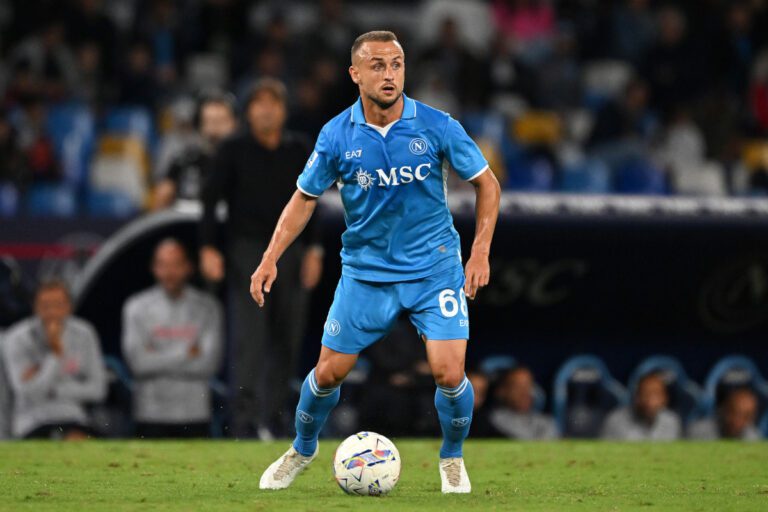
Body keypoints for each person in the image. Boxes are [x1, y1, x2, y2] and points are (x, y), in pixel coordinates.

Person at [254, 31, 501, 494]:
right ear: (355, 73)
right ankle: (302, 449)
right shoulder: (335, 135)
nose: (389, 74)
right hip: (366, 274)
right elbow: (304, 199)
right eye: (378, 65)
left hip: (434, 268)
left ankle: (452, 458)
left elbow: (488, 184)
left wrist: (480, 250)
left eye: (397, 64)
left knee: (450, 372)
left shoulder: (436, 125)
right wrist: (270, 257)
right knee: (328, 373)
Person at [199, 78, 324, 439]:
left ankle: (277, 418)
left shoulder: (299, 147)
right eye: (259, 103)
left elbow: (312, 200)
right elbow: (210, 201)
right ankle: (244, 422)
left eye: (274, 103)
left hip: (293, 250)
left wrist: (315, 250)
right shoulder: (232, 149)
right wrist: (209, 247)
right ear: (248, 112)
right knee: (249, 338)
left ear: (284, 110)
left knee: (289, 334)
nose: (267, 109)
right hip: (247, 249)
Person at [122, 239, 223, 438]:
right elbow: (138, 364)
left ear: (188, 267)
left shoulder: (208, 307)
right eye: (163, 265)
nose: (169, 272)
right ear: (154, 268)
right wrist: (187, 353)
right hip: (149, 415)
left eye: (176, 264)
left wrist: (156, 356)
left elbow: (209, 364)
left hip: (195, 415)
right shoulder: (136, 307)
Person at [1, 279, 106, 439]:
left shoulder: (85, 333)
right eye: (45, 306)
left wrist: (53, 389)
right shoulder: (17, 338)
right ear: (35, 307)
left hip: (73, 418)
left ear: (69, 307)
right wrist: (55, 354)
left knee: (79, 440)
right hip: (32, 421)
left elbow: (98, 390)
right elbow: (26, 393)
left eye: (58, 305)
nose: (52, 312)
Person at [153, 91, 237, 209]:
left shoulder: (245, 160)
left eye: (221, 121)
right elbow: (161, 198)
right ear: (200, 125)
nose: (215, 128)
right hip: (189, 222)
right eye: (210, 121)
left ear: (234, 124)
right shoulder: (184, 159)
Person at [601, 372, 682, 441]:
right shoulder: (616, 421)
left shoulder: (672, 422)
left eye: (656, 394)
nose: (651, 400)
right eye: (645, 394)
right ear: (636, 397)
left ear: (665, 398)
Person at [488, 366, 558, 440]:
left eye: (528, 385)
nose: (525, 392)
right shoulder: (492, 422)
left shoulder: (546, 422)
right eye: (517, 387)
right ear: (501, 391)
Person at [687, 388, 763, 441]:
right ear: (724, 409)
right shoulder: (697, 432)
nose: (737, 421)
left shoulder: (754, 439)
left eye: (746, 416)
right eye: (733, 412)